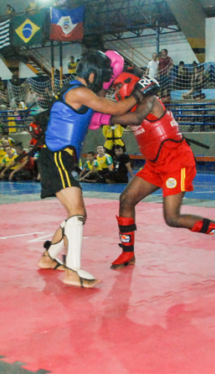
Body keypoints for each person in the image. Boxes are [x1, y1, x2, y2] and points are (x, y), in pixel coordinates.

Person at [37, 50, 158, 288]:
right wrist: (139, 91)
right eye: (103, 78)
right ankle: (73, 272)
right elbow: (117, 108)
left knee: (76, 214)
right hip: (57, 156)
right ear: (92, 75)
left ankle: (48, 257)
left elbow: (127, 116)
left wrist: (141, 95)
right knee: (77, 213)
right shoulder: (80, 92)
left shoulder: (81, 92)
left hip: (62, 157)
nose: (105, 84)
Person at [104, 71, 215, 272]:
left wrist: (103, 118)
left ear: (129, 84)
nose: (115, 92)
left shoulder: (149, 100)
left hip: (176, 162)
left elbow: (136, 118)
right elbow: (116, 111)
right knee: (126, 199)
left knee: (172, 218)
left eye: (117, 87)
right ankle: (128, 253)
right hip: (155, 164)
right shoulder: (128, 107)